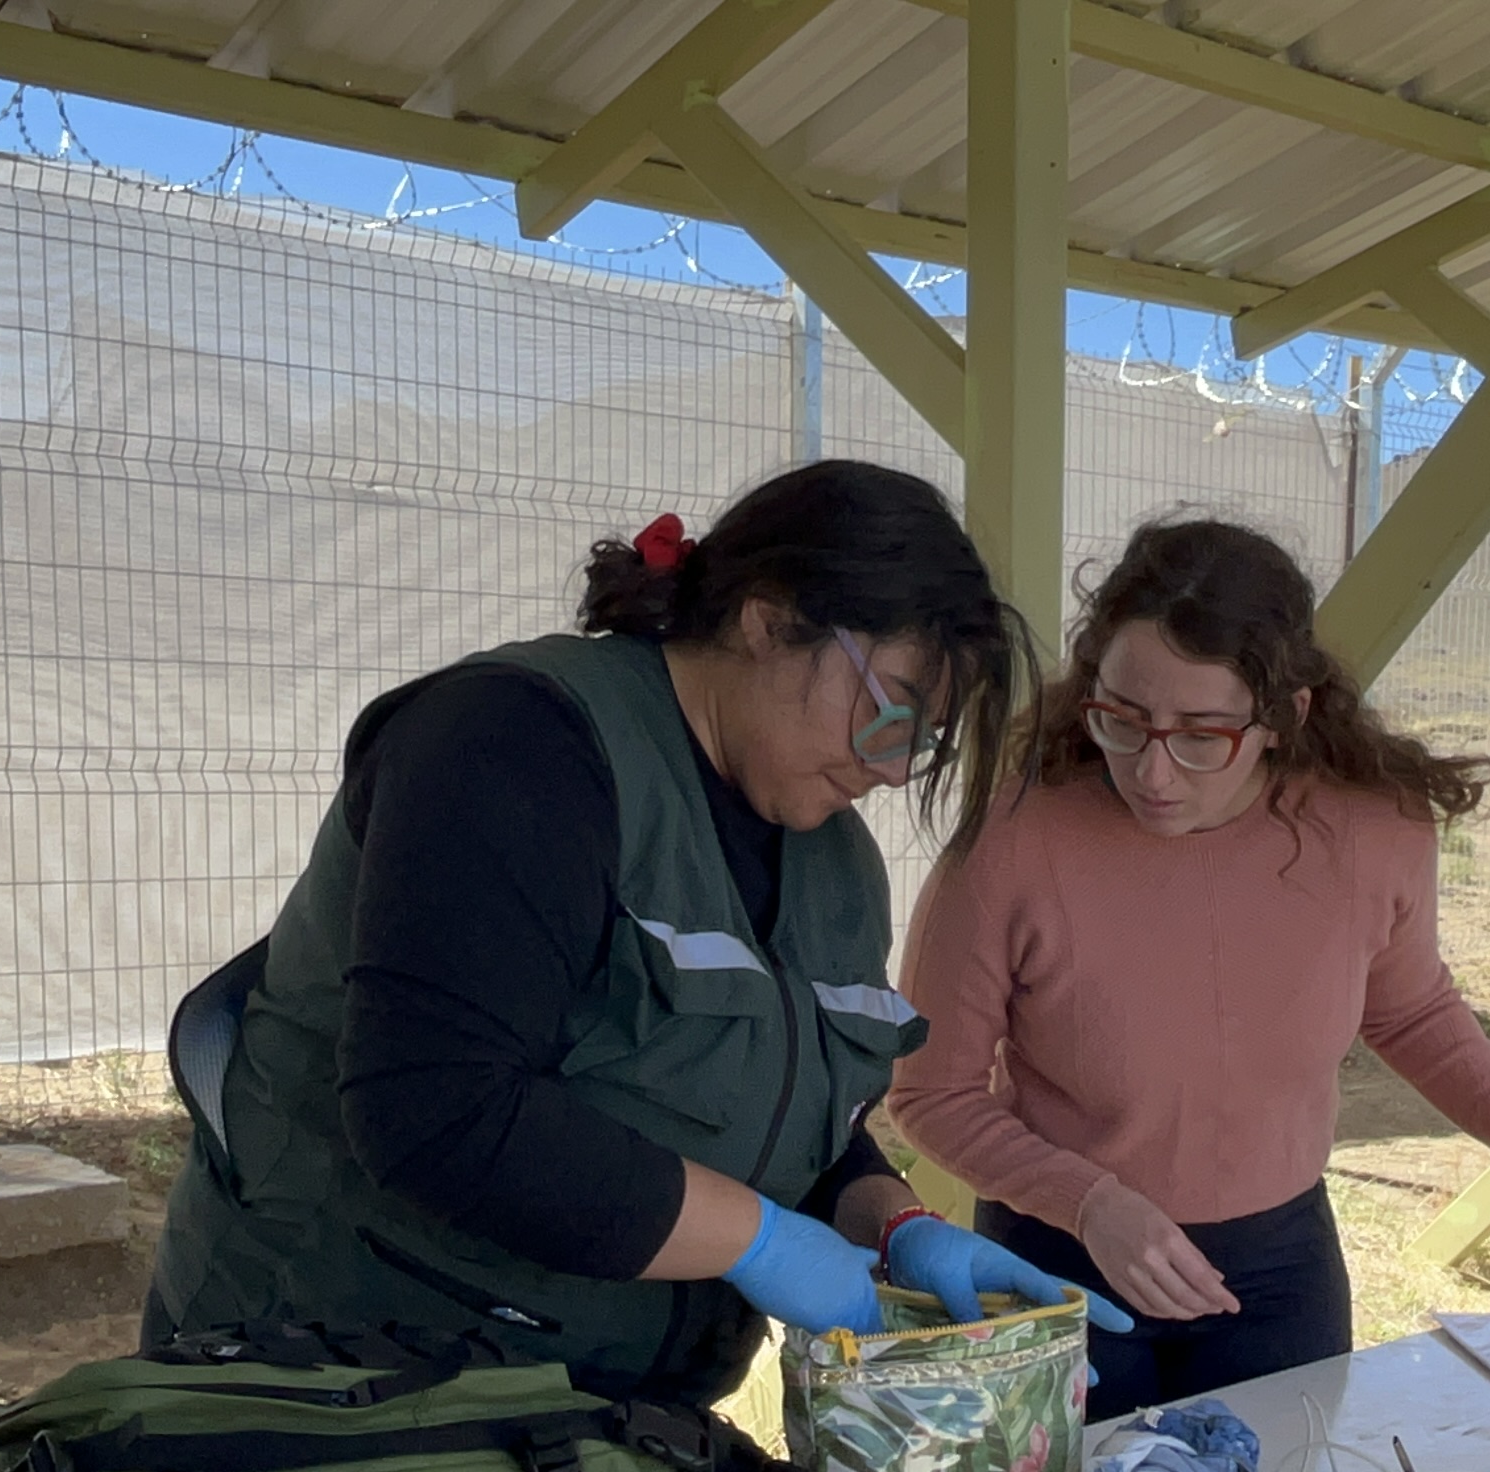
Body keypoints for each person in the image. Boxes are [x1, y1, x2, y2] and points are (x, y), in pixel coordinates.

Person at [144, 460, 1124, 1407]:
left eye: (925, 739)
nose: (898, 769)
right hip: (346, 1380)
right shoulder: (514, 743)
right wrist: (756, 1241)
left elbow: (779, 1126)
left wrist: (892, 1224)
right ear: (769, 620)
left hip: (601, 1416)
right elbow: (438, 1110)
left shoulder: (834, 863)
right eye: (890, 714)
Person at [889, 517, 1490, 1416]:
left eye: (1202, 735)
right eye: (1123, 721)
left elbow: (1409, 1009)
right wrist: (1086, 1202)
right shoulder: (1010, 842)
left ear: (1284, 717)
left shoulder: (1372, 831)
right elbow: (932, 1094)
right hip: (1058, 1263)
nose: (1153, 772)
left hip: (1276, 1274)